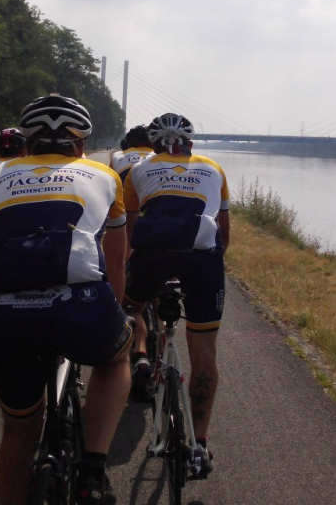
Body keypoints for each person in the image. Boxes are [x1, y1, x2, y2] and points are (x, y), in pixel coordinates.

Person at [0, 94, 132, 505]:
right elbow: (116, 264)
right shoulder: (105, 175)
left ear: (28, 141)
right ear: (81, 144)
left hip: (7, 314)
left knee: (18, 435)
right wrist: (115, 310)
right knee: (116, 358)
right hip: (81, 305)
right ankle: (93, 470)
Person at [122, 113, 230, 477]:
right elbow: (224, 234)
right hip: (203, 258)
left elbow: (131, 233)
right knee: (204, 351)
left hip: (152, 256)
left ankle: (139, 355)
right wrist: (207, 267)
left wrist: (136, 271)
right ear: (191, 144)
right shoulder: (214, 168)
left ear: (153, 145)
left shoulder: (138, 168)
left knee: (129, 310)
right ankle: (199, 445)